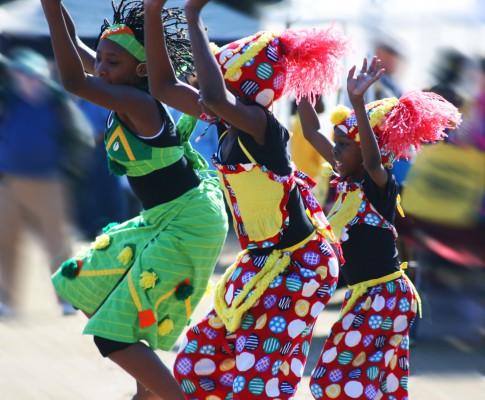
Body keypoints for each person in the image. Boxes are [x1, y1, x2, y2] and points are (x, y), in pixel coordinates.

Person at [156, 1, 348, 398]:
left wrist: (192, 17)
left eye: (222, 77)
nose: (208, 83)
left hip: (300, 266)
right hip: (262, 259)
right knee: (195, 366)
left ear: (241, 87)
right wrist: (153, 10)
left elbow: (211, 95)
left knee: (256, 380)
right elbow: (162, 88)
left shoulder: (264, 128)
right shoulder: (225, 118)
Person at [40, 1, 228, 399]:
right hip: (162, 217)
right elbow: (72, 43)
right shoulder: (122, 86)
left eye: (110, 63)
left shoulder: (140, 105)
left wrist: (50, 9)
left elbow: (73, 82)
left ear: (141, 71)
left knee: (111, 337)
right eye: (101, 61)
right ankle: (147, 393)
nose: (101, 69)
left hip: (187, 222)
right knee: (86, 288)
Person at [298, 57, 461, 399]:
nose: (336, 151)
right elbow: (312, 132)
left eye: (343, 145)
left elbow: (371, 159)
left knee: (332, 383)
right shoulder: (346, 174)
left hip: (385, 297)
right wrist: (304, 89)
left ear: (367, 148)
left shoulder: (378, 184)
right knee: (370, 386)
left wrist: (357, 103)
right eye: (337, 144)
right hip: (368, 296)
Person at [0, 47, 87, 317]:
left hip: (50, 182)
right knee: (5, 241)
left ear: (41, 76)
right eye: (19, 73)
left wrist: (67, 171)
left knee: (58, 244)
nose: (25, 78)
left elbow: (80, 139)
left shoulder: (57, 103)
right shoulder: (8, 101)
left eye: (30, 74)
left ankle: (67, 299)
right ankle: (6, 301)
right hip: (9, 182)